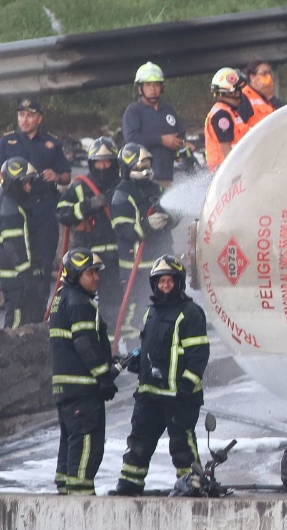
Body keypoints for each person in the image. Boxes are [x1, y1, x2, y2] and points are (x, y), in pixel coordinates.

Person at [112, 256, 210, 496]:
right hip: (149, 394)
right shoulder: (151, 313)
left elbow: (199, 355)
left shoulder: (191, 313)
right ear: (154, 284)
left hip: (179, 396)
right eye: (161, 281)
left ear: (179, 283)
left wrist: (187, 384)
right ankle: (130, 485)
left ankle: (191, 486)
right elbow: (150, 348)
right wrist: (139, 363)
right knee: (138, 442)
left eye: (170, 281)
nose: (165, 286)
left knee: (182, 446)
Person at [49, 249, 118, 495]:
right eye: (90, 273)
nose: (96, 278)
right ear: (75, 274)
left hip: (66, 388)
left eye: (96, 273)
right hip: (82, 388)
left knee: (70, 441)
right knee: (88, 444)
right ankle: (79, 497)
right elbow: (84, 343)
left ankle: (65, 488)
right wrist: (104, 376)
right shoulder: (79, 303)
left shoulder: (61, 298)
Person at [0, 97, 72, 284]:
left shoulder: (51, 143)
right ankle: (21, 298)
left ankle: (40, 307)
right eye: (21, 115)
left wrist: (56, 176)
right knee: (17, 257)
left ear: (39, 118)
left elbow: (67, 176)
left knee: (44, 261)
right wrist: (12, 184)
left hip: (44, 210)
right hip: (16, 208)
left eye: (29, 116)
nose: (24, 120)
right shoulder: (7, 141)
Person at [111, 143, 175, 346]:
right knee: (135, 312)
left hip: (160, 261)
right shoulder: (122, 195)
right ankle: (133, 353)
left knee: (165, 308)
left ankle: (161, 349)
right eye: (139, 167)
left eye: (147, 165)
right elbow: (124, 231)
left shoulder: (156, 188)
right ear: (126, 169)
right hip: (136, 267)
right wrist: (147, 225)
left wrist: (169, 218)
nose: (145, 170)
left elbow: (175, 215)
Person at [55, 137, 123, 329]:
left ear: (114, 163)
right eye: (98, 162)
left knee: (113, 307)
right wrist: (88, 205)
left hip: (114, 260)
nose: (103, 166)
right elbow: (61, 213)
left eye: (107, 161)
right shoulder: (81, 187)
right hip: (86, 260)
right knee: (82, 304)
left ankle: (112, 346)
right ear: (92, 163)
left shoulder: (122, 186)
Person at [0, 157, 47, 328]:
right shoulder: (10, 210)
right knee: (16, 324)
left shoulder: (14, 204)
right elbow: (13, 247)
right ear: (13, 184)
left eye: (29, 182)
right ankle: (10, 353)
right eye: (25, 183)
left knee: (31, 322)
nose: (29, 188)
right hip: (17, 281)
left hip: (22, 279)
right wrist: (27, 276)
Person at [122, 62, 187, 188]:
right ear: (140, 88)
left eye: (156, 84)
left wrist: (183, 144)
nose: (152, 89)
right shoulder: (133, 111)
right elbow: (131, 140)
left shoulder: (168, 110)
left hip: (170, 176)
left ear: (161, 87)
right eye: (148, 85)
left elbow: (181, 136)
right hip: (144, 180)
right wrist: (161, 140)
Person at [204, 67, 249, 172]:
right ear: (231, 93)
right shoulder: (222, 115)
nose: (240, 94)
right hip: (225, 170)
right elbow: (227, 150)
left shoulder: (230, 112)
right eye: (238, 90)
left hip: (229, 168)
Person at [239, 60, 282, 128]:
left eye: (269, 73)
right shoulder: (243, 97)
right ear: (252, 77)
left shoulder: (267, 95)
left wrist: (271, 97)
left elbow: (283, 114)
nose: (269, 77)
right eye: (264, 73)